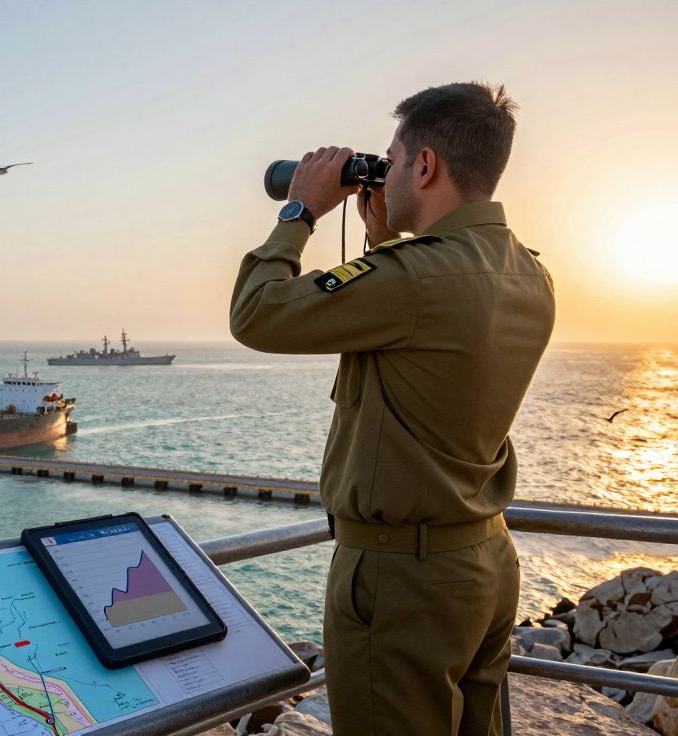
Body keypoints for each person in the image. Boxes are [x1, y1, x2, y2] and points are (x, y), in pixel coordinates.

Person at [229, 82, 555, 735]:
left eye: (394, 158)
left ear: (426, 165)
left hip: (401, 581)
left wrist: (301, 209)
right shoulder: (527, 272)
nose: (389, 171)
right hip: (484, 564)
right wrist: (383, 243)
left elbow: (256, 314)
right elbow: (427, 352)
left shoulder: (414, 277)